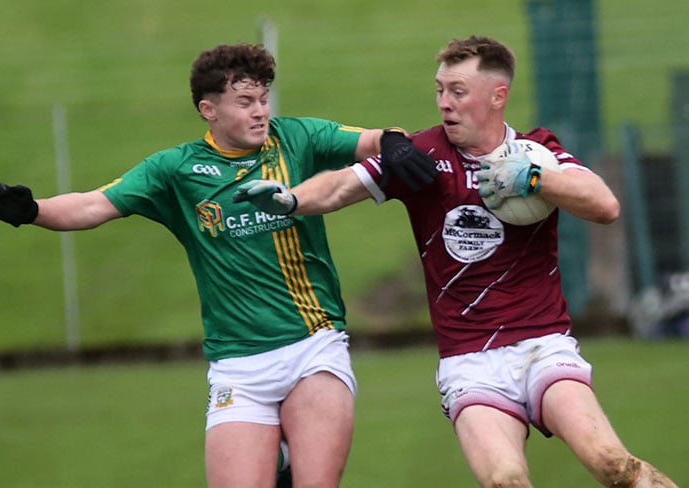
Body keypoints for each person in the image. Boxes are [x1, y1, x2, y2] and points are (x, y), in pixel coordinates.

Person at [233, 36, 679, 487]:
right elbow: (338, 187)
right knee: (505, 480)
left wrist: (535, 180)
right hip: (470, 362)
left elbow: (605, 205)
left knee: (611, 463)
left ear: (497, 96)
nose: (444, 102)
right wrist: (290, 199)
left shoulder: (537, 151)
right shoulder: (420, 155)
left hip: (543, 345)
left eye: (458, 91)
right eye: (440, 90)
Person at [0, 43, 406, 488]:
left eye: (263, 98)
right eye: (245, 102)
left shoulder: (297, 138)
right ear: (208, 110)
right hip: (238, 365)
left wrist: (393, 142)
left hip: (312, 346)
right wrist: (34, 211)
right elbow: (93, 205)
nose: (261, 111)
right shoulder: (176, 170)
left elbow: (376, 139)